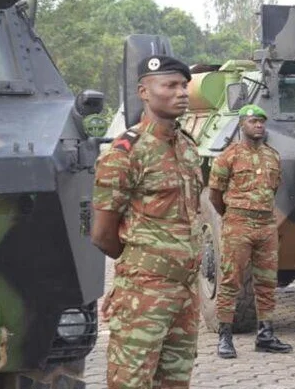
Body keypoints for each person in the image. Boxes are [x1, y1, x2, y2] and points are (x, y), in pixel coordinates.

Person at [90, 55, 203, 388]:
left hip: (185, 290)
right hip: (145, 293)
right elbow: (102, 235)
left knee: (175, 382)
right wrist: (142, 268)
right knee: (131, 382)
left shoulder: (187, 147)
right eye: (170, 85)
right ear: (144, 91)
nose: (181, 92)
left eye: (184, 85)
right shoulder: (125, 152)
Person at [208, 104, 293, 359]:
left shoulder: (272, 156)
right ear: (242, 124)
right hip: (238, 224)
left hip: (266, 225)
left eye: (261, 122)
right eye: (254, 121)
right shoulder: (228, 156)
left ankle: (265, 334)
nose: (259, 125)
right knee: (231, 281)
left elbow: (273, 189)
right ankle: (225, 336)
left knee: (267, 282)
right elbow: (215, 195)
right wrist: (232, 216)